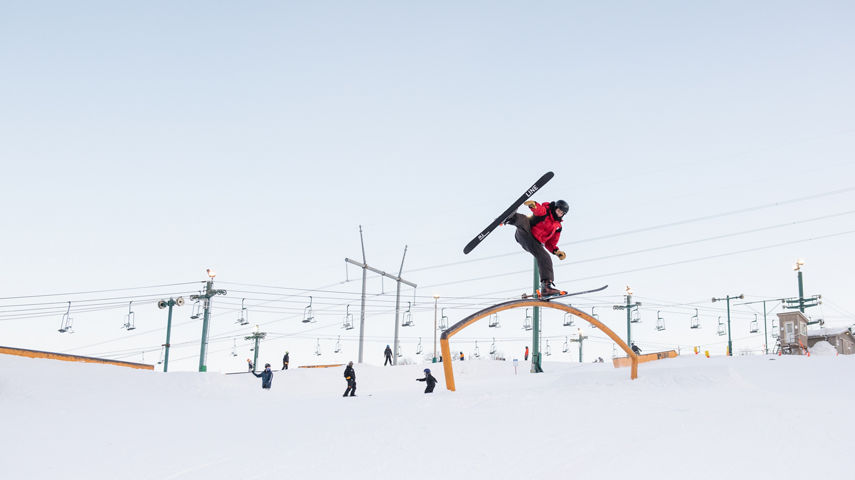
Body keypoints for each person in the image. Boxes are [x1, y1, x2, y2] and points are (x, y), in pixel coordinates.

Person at [504, 199, 569, 296]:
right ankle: (508, 218)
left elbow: (550, 243)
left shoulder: (558, 227)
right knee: (524, 219)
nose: (559, 213)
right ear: (555, 208)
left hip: (535, 243)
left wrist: (556, 251)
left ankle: (546, 287)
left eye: (562, 213)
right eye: (558, 210)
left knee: (545, 258)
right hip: (526, 232)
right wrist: (533, 205)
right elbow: (540, 210)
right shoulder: (546, 212)